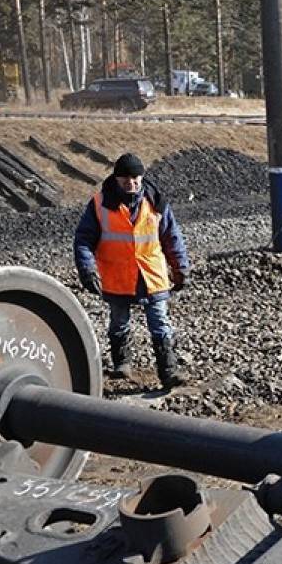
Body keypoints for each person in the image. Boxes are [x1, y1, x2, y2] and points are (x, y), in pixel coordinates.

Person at [73, 152, 189, 388]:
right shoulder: (100, 204)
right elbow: (83, 239)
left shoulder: (156, 202)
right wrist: (87, 269)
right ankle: (122, 363)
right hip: (117, 275)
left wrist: (180, 267)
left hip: (151, 274)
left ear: (142, 177)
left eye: (135, 178)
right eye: (125, 178)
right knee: (119, 321)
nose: (131, 183)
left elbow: (171, 237)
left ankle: (168, 372)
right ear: (116, 178)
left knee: (160, 321)